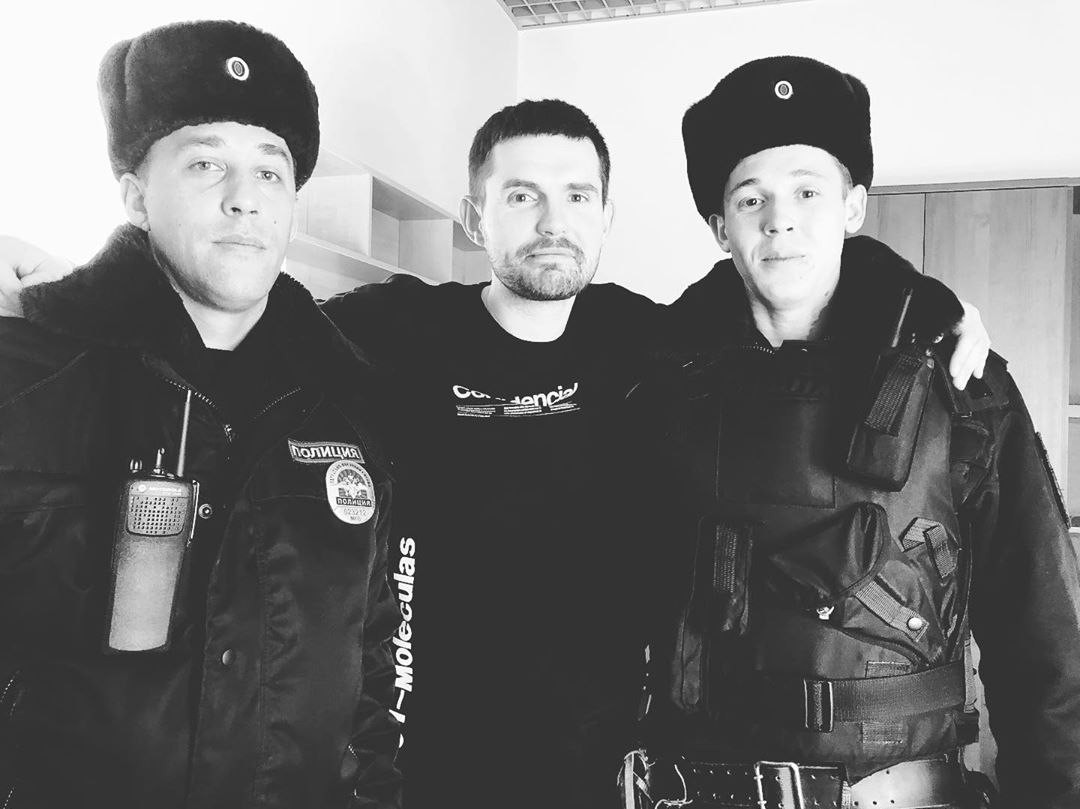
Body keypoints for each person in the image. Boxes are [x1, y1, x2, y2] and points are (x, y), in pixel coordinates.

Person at [0, 95, 990, 807]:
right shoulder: (388, 331)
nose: (553, 222)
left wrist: (924, 301)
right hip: (419, 762)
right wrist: (65, 293)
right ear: (477, 217)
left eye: (577, 195)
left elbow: (783, 277)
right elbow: (231, 309)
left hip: (606, 765)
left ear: (606, 214)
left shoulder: (651, 339)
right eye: (521, 196)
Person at [628, 56, 1080, 809]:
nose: (780, 219)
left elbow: (1045, 637)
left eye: (808, 190)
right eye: (750, 198)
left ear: (853, 206)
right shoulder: (653, 385)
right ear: (719, 227)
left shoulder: (961, 380)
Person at [0, 21, 400, 809]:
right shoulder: (26, 377)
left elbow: (374, 662)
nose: (244, 196)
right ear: (135, 194)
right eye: (205, 161)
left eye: (271, 170)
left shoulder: (350, 405)